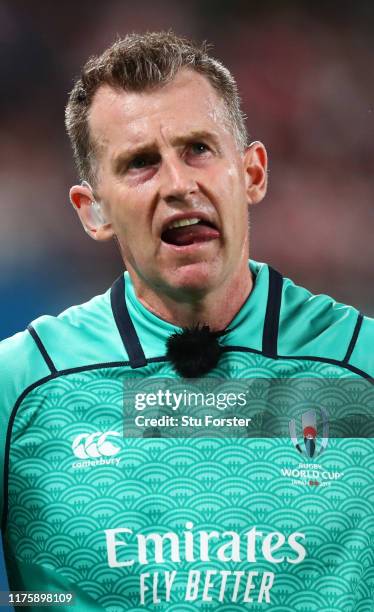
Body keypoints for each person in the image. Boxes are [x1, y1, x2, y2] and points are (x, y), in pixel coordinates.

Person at [0, 31, 373, 611]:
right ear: (93, 210)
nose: (178, 185)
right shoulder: (21, 386)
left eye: (199, 148)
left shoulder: (362, 366)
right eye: (140, 163)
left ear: (251, 173)